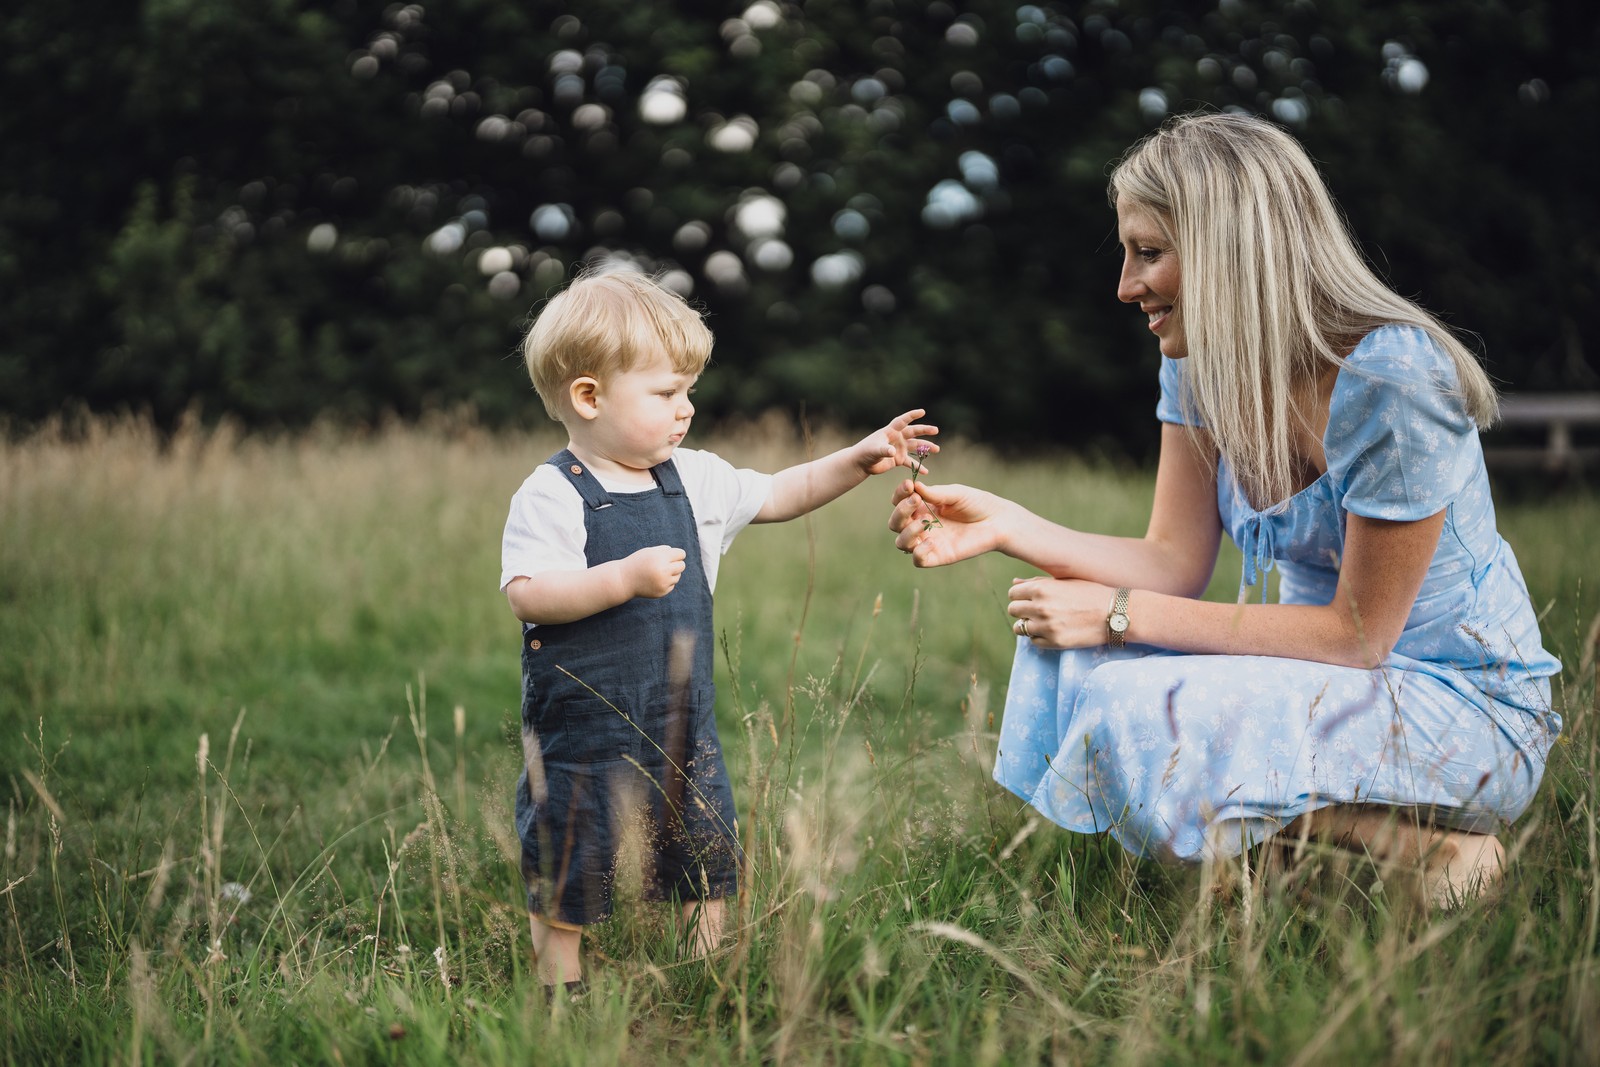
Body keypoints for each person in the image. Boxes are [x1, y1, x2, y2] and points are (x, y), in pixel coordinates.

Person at [889, 112, 1561, 905]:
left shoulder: (1392, 380)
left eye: (1149, 253)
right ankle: (1282, 865)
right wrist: (1009, 526)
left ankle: (1424, 852)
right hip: (1330, 686)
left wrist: (1119, 614)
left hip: (1460, 710)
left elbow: (1357, 634)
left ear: (1229, 249)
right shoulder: (1202, 364)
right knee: (1068, 656)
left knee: (1132, 689)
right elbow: (1175, 560)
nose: (1125, 285)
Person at [502, 266, 936, 994]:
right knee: (573, 854)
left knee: (704, 851)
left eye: (688, 391)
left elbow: (781, 491)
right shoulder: (553, 492)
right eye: (666, 393)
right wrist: (621, 579)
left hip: (681, 722)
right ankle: (561, 984)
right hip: (584, 731)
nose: (686, 409)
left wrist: (856, 461)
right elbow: (529, 594)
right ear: (589, 395)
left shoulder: (694, 478)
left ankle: (702, 974)